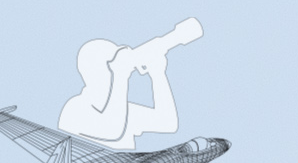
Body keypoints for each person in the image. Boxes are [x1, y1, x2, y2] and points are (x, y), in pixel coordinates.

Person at [57, 18, 203, 150]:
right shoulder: (74, 109)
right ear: (95, 70)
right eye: (113, 61)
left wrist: (158, 75)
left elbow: (168, 123)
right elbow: (112, 130)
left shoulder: (124, 110)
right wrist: (120, 76)